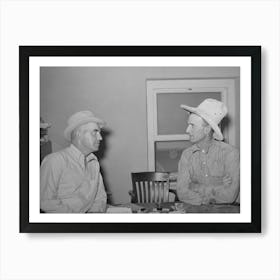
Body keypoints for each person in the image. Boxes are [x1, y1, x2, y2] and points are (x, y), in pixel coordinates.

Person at [40, 111, 107, 213]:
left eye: (99, 133)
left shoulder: (94, 164)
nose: (100, 137)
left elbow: (100, 198)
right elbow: (45, 202)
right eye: (95, 132)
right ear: (78, 134)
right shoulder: (55, 161)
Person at [177, 99, 240, 205]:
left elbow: (229, 195)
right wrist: (218, 185)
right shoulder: (187, 155)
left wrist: (194, 186)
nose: (187, 130)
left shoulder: (230, 153)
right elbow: (182, 192)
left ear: (206, 130)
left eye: (192, 125)